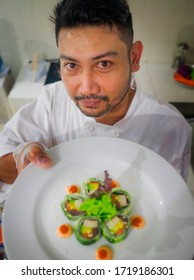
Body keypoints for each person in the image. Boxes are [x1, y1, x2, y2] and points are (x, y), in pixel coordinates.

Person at [0, 0, 192, 184]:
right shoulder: (51, 101)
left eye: (104, 64)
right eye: (72, 65)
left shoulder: (171, 129)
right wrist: (21, 159)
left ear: (134, 58)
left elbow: (169, 205)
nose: (86, 88)